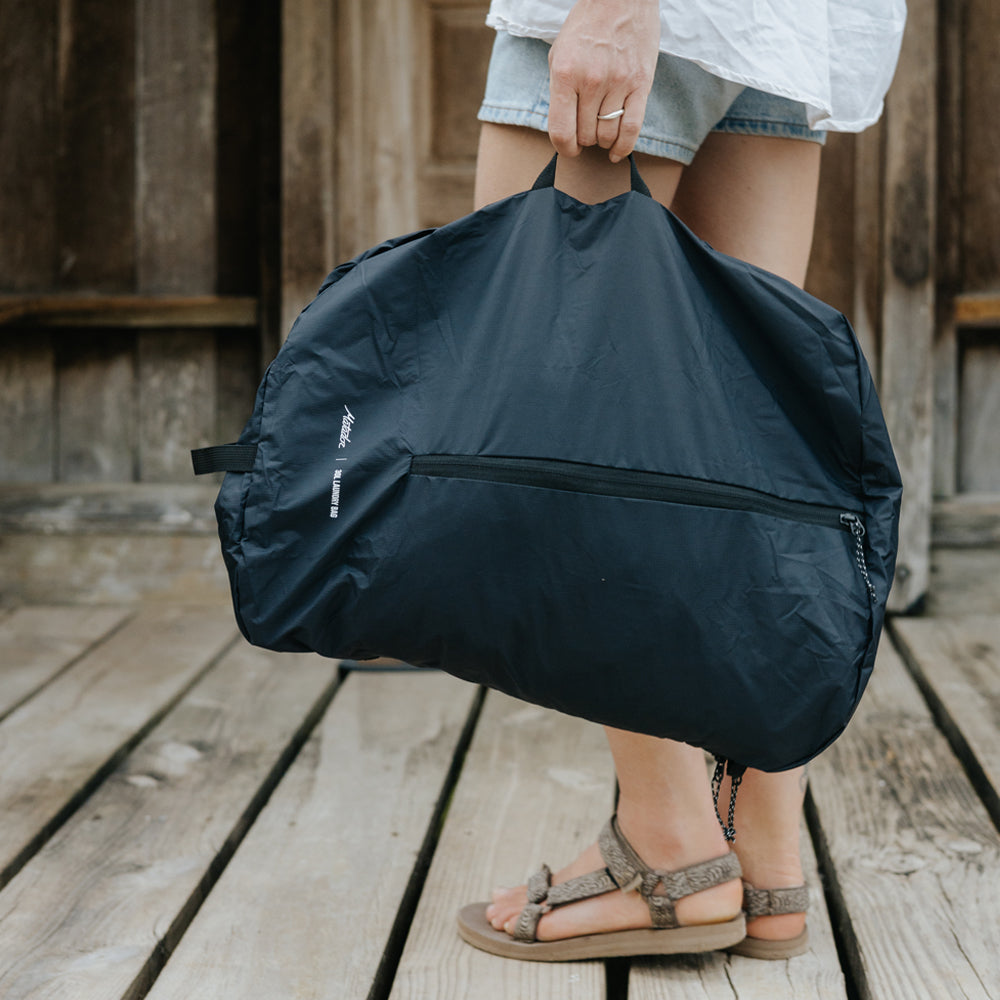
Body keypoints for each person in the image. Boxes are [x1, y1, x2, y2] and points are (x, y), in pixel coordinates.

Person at [457, 0, 906, 962]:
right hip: (783, 28)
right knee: (736, 441)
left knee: (562, 429)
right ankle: (761, 848)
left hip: (647, 17)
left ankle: (669, 848)